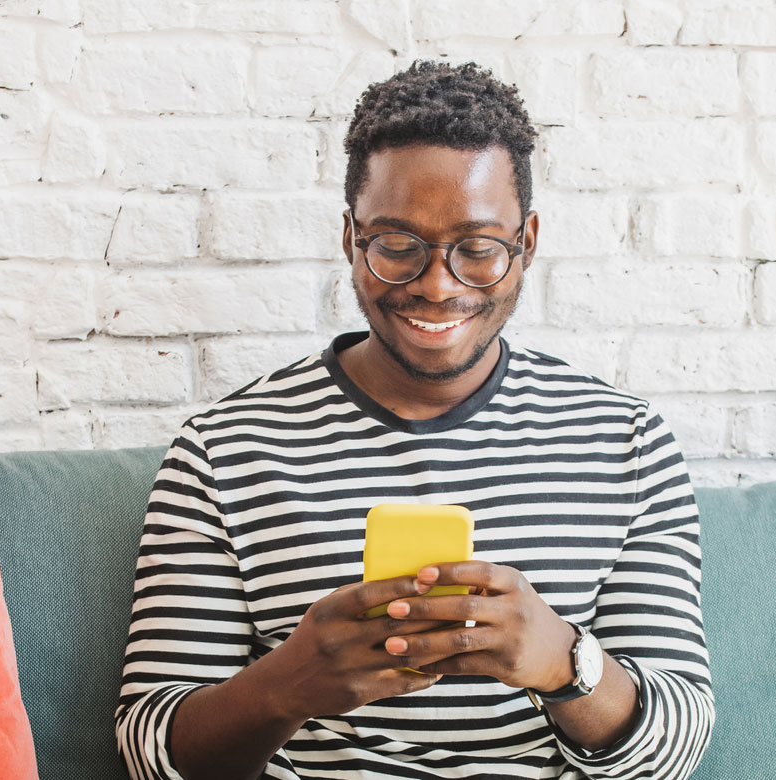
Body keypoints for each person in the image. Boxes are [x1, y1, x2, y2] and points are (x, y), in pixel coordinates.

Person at [114, 60, 714, 780]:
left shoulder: (627, 443)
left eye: (479, 248)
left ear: (526, 242)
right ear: (350, 239)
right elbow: (149, 751)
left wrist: (564, 663)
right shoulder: (223, 451)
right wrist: (284, 688)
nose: (437, 286)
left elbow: (675, 750)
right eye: (398, 246)